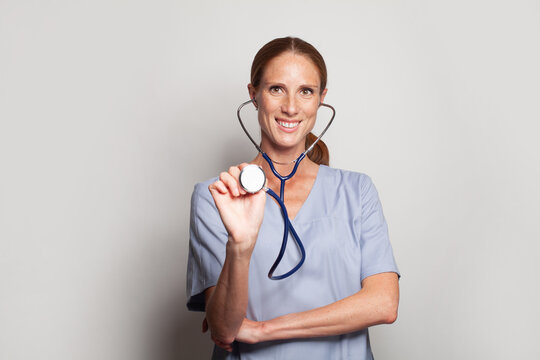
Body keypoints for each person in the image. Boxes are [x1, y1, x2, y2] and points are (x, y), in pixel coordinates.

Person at [186, 36, 400, 360]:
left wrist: (264, 330)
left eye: (306, 91)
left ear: (321, 99)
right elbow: (224, 328)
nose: (290, 106)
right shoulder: (216, 196)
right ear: (253, 95)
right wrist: (240, 246)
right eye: (276, 89)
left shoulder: (357, 191)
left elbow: (384, 303)